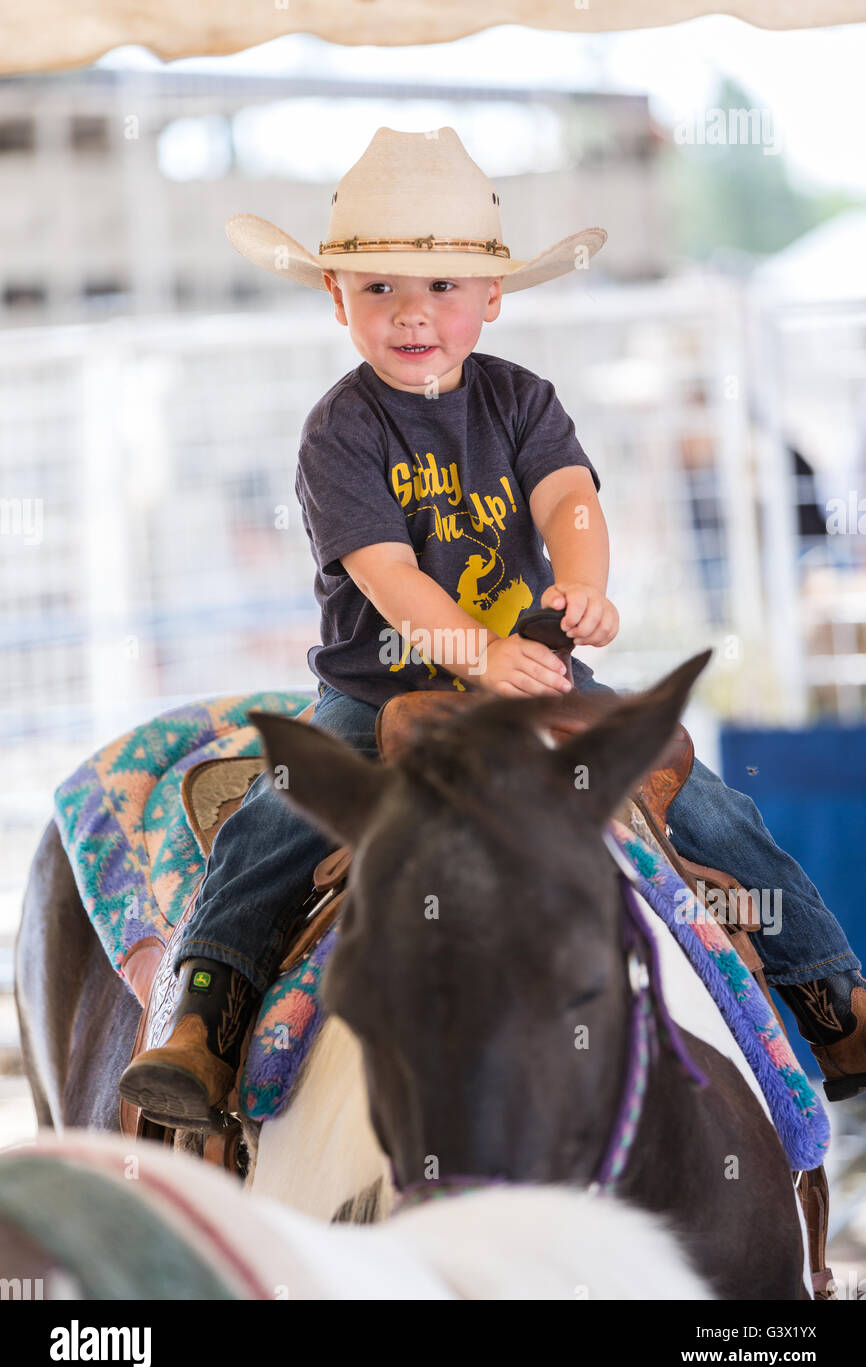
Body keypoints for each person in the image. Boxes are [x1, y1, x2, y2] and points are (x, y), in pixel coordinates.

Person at [119, 127, 866, 1131]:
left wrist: (583, 589)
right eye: (378, 288)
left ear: (490, 300)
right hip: (379, 688)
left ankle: (827, 994)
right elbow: (384, 575)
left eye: (439, 288)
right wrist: (473, 650)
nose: (411, 313)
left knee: (713, 810)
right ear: (336, 300)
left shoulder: (519, 399)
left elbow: (569, 502)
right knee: (278, 816)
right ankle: (200, 1022)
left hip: (538, 677)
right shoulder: (342, 429)